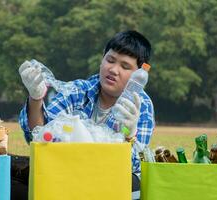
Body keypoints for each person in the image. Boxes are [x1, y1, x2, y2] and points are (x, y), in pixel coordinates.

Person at [17, 30, 155, 200]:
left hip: (110, 178)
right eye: (110, 60)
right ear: (102, 60)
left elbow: (132, 165)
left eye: (125, 66)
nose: (113, 70)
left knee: (134, 185)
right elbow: (40, 135)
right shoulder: (78, 91)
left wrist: (129, 134)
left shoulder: (140, 105)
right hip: (66, 171)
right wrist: (36, 98)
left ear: (138, 75)